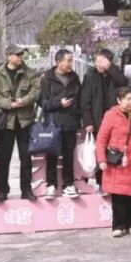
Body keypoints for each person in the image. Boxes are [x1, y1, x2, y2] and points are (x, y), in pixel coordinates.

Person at [0, 45, 41, 202]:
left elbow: (36, 91)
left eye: (21, 54)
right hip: (6, 121)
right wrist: (9, 104)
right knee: (4, 158)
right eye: (17, 54)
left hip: (25, 121)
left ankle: (26, 190)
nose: (20, 57)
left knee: (26, 157)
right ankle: (2, 191)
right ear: (9, 56)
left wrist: (23, 101)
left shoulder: (30, 72)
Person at [97, 87, 131, 237]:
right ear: (119, 100)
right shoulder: (110, 115)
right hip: (117, 162)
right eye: (128, 99)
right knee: (118, 195)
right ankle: (118, 225)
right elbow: (101, 139)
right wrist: (101, 159)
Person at [81, 49, 129, 184]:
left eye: (101, 61)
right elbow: (84, 100)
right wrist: (87, 121)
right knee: (99, 151)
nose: (98, 64)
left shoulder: (115, 74)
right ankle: (101, 182)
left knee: (114, 151)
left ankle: (114, 181)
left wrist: (110, 69)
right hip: (97, 120)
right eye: (97, 61)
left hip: (115, 121)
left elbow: (124, 83)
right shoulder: (90, 76)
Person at [40, 48, 81, 198]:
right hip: (53, 123)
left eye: (72, 60)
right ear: (58, 61)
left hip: (70, 123)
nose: (71, 63)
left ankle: (68, 184)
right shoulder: (47, 78)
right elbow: (42, 102)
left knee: (69, 156)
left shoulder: (75, 78)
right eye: (68, 60)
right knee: (52, 156)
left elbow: (79, 99)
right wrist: (59, 103)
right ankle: (51, 185)